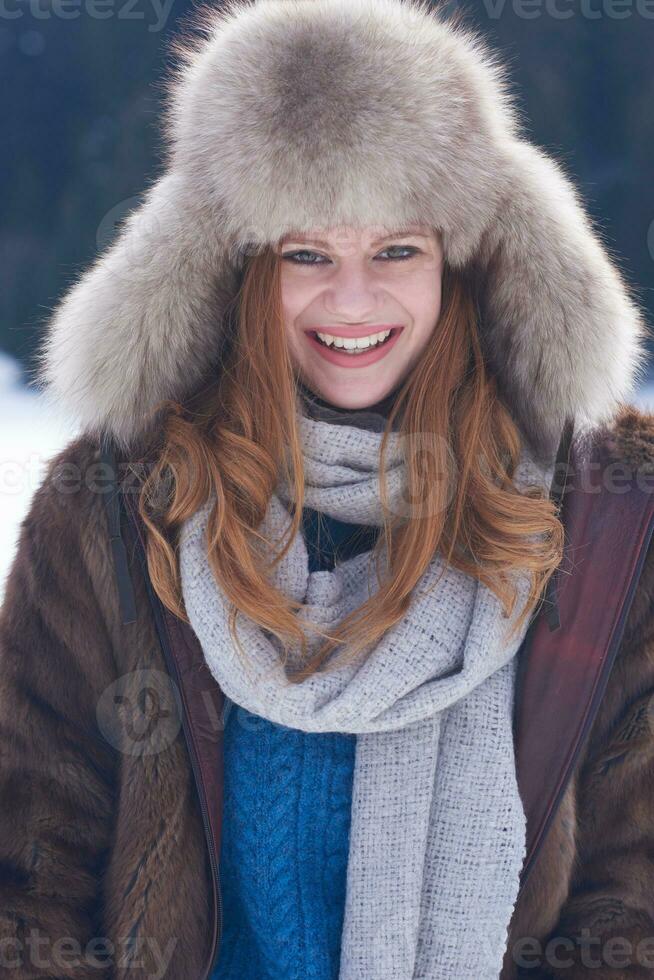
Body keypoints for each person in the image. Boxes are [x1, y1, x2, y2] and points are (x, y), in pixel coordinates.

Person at [1, 0, 653, 978]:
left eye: (396, 249)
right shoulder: (115, 502)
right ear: (234, 267)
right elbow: (27, 866)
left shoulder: (611, 515)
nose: (351, 301)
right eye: (307, 252)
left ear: (463, 264)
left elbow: (633, 899)